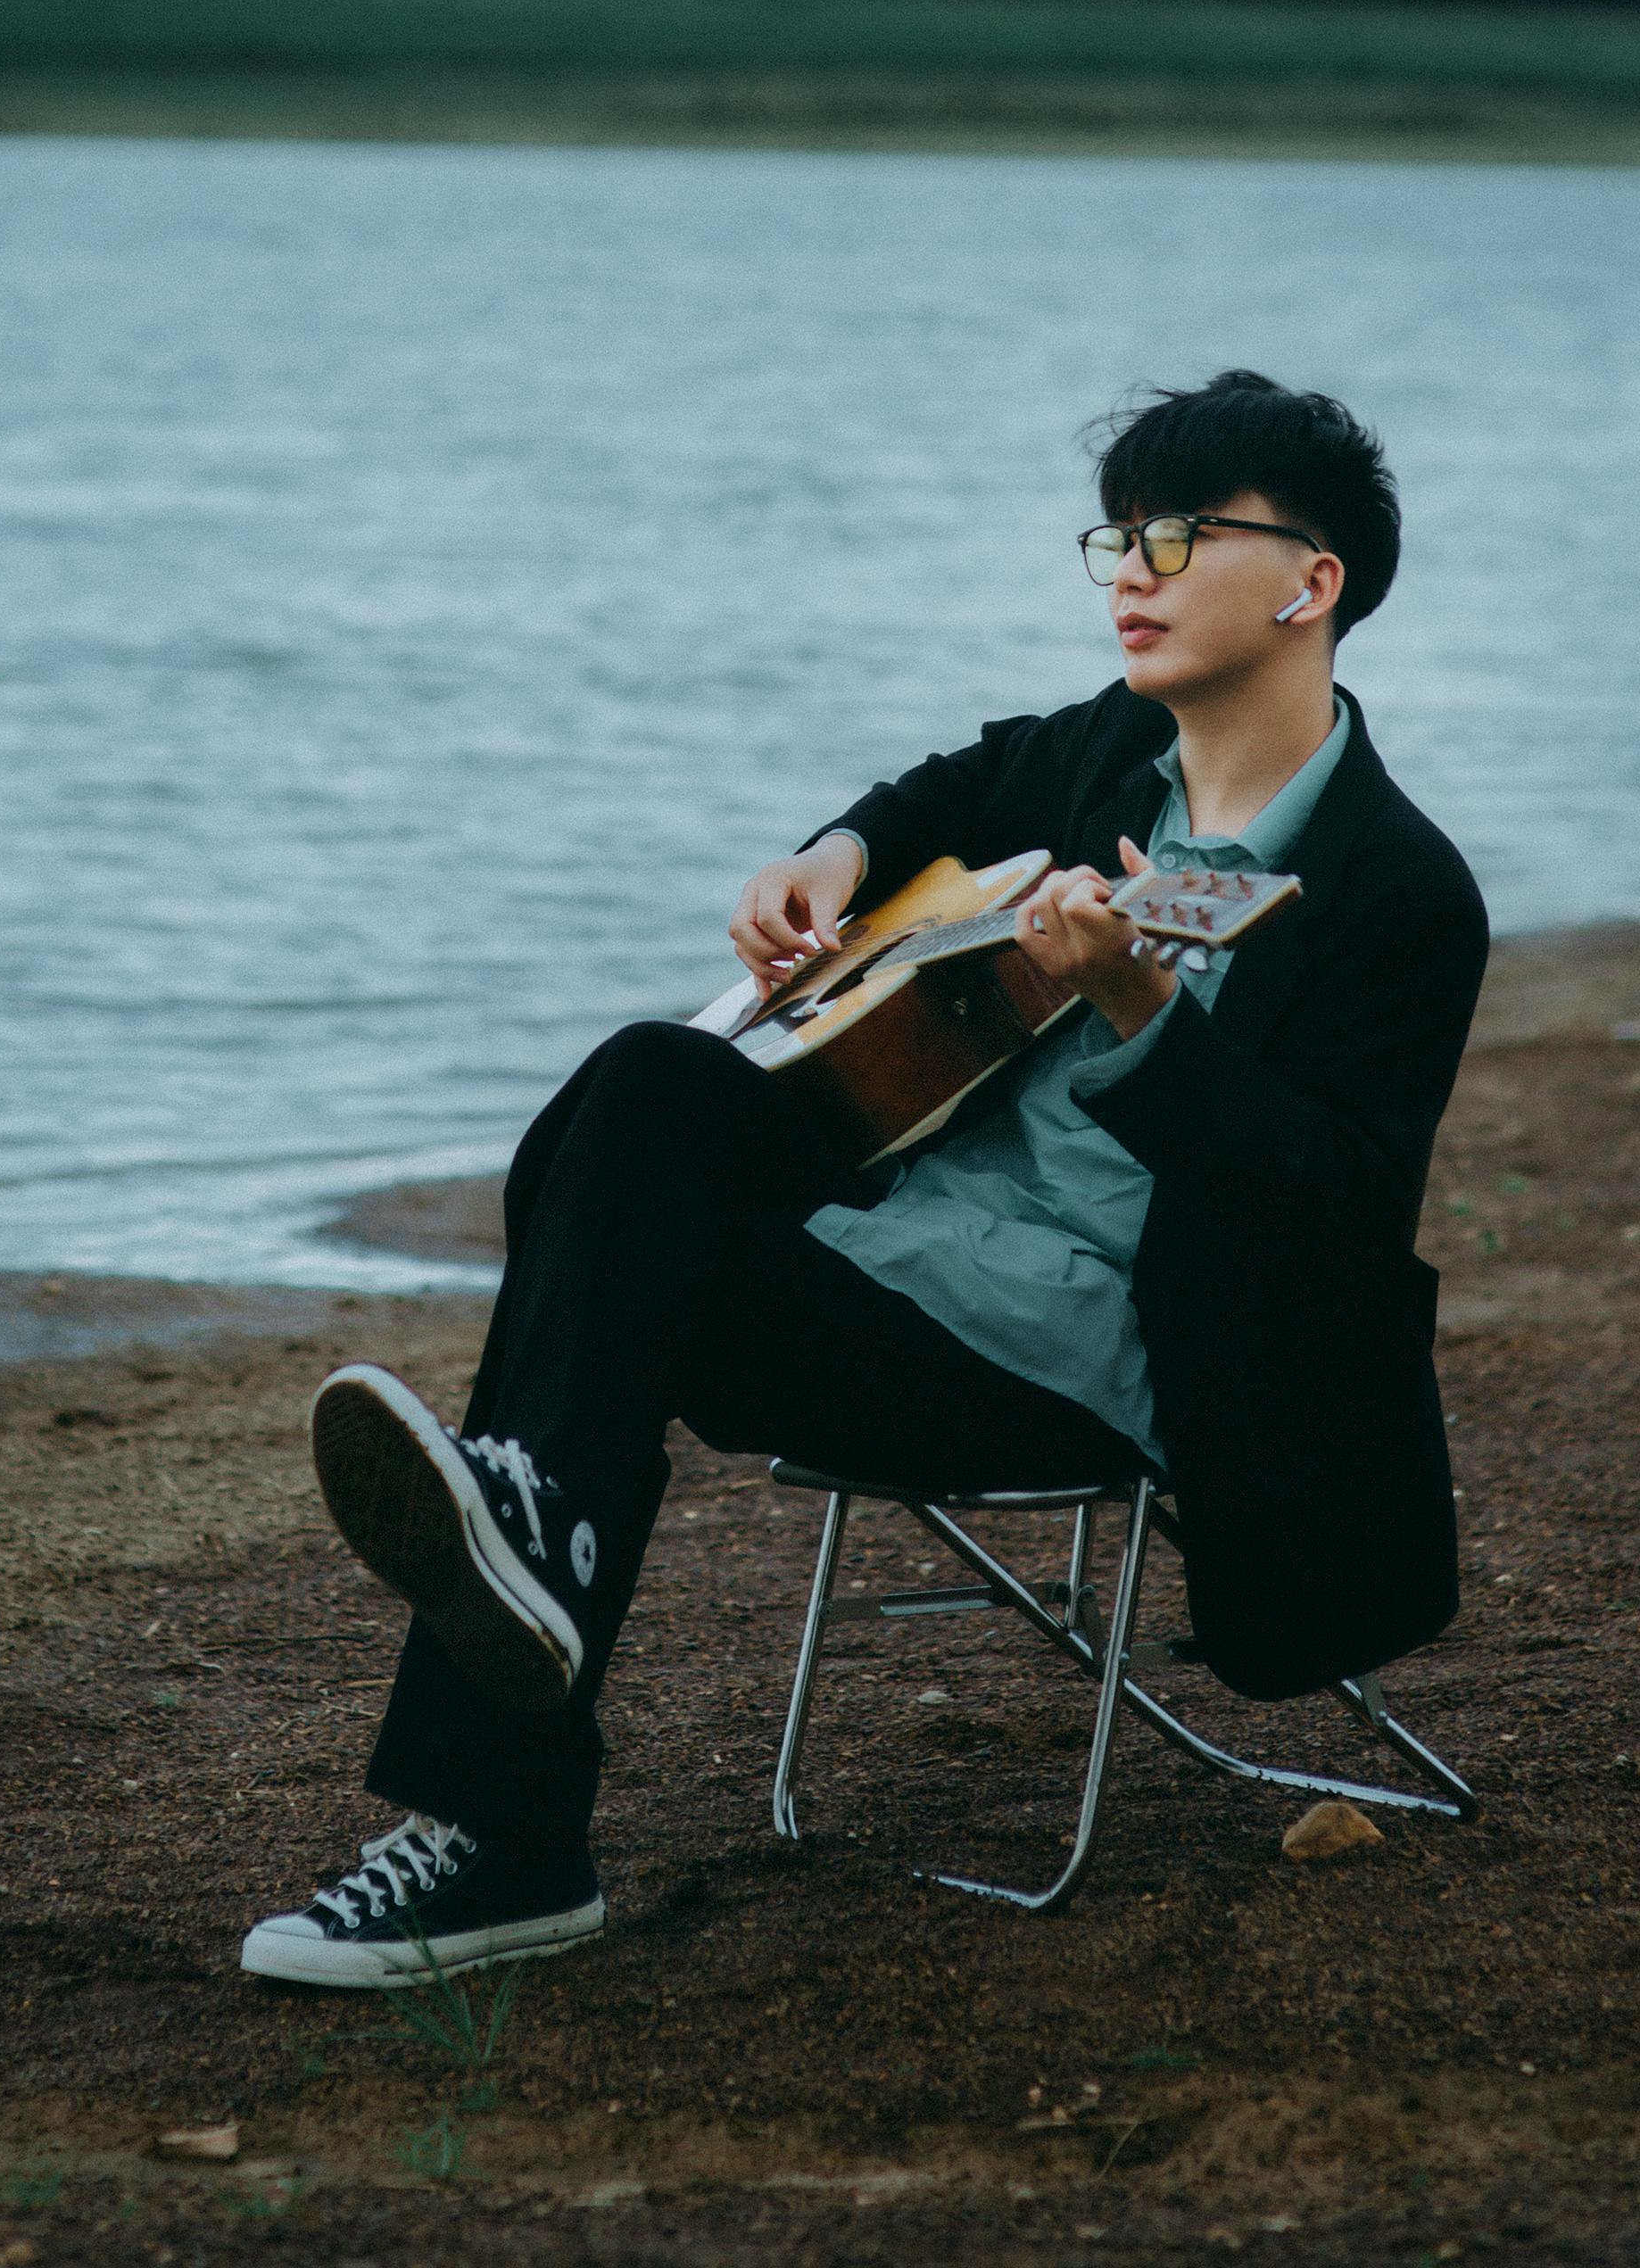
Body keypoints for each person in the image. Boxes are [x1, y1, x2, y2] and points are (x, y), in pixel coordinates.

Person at [240, 370, 1487, 1988]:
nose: (1130, 570)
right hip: (901, 1259)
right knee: (649, 1083)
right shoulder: (1109, 756)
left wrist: (1137, 1011)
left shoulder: (1399, 893)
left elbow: (1324, 1219)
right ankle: (525, 1568)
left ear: (1312, 584)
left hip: (1096, 1364)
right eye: (1113, 535)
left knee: (609, 1262)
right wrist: (832, 858)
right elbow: (945, 795)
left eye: (1178, 535)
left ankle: (501, 1825)